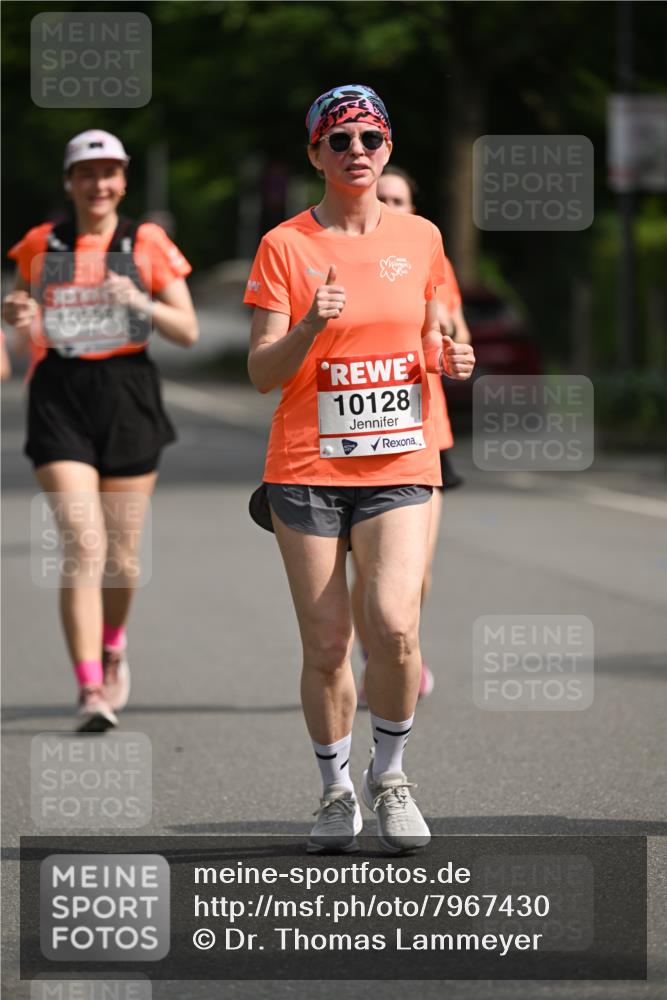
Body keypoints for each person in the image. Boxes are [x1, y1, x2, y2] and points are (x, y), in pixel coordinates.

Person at [245, 86, 474, 854]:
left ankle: (392, 775)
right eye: (338, 139)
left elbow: (437, 329)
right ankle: (335, 790)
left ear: (387, 150)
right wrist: (310, 322)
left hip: (400, 460)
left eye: (369, 138)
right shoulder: (286, 246)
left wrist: (450, 355)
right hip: (307, 466)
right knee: (325, 644)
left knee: (397, 627)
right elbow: (260, 372)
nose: (355, 151)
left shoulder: (422, 235)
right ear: (314, 153)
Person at [2, 129, 198, 731]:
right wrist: (18, 314)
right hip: (60, 394)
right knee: (83, 546)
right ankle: (90, 687)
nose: (99, 183)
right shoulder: (43, 242)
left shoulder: (146, 241)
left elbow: (186, 329)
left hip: (127, 396)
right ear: (69, 181)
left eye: (110, 172)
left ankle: (114, 642)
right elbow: (19, 314)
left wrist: (139, 300)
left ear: (124, 179)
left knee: (121, 555)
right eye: (87, 173)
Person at [354, 165, 472, 704]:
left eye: (401, 198)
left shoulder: (428, 251)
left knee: (414, 569)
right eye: (384, 197)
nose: (392, 206)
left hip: (425, 433)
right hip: (355, 437)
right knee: (369, 568)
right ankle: (379, 653)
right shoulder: (345, 251)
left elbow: (457, 335)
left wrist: (444, 327)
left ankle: (399, 646)